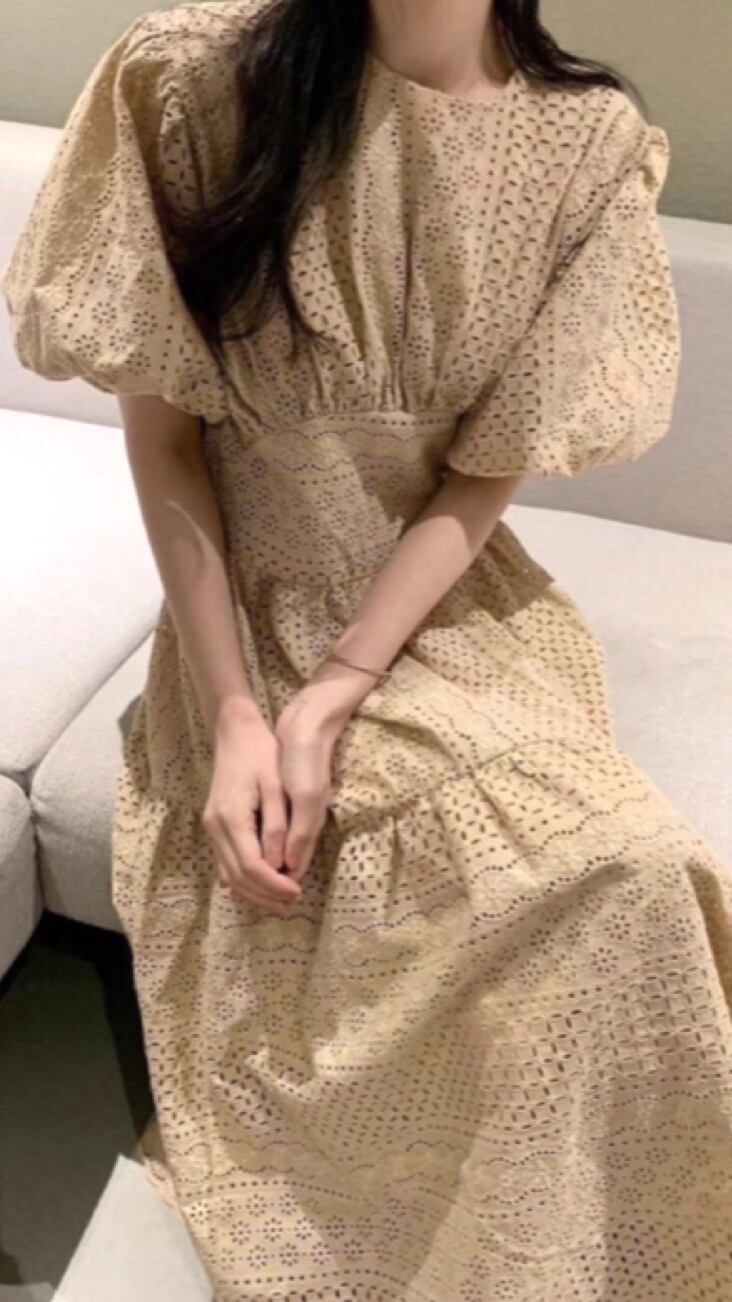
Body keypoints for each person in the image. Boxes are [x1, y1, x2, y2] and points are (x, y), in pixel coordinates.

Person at [3, 0, 732, 1296]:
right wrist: (240, 712)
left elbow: (484, 470)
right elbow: (165, 436)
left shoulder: (588, 142)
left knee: (632, 868)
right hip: (246, 609)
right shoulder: (191, 86)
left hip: (446, 604)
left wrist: (341, 689)